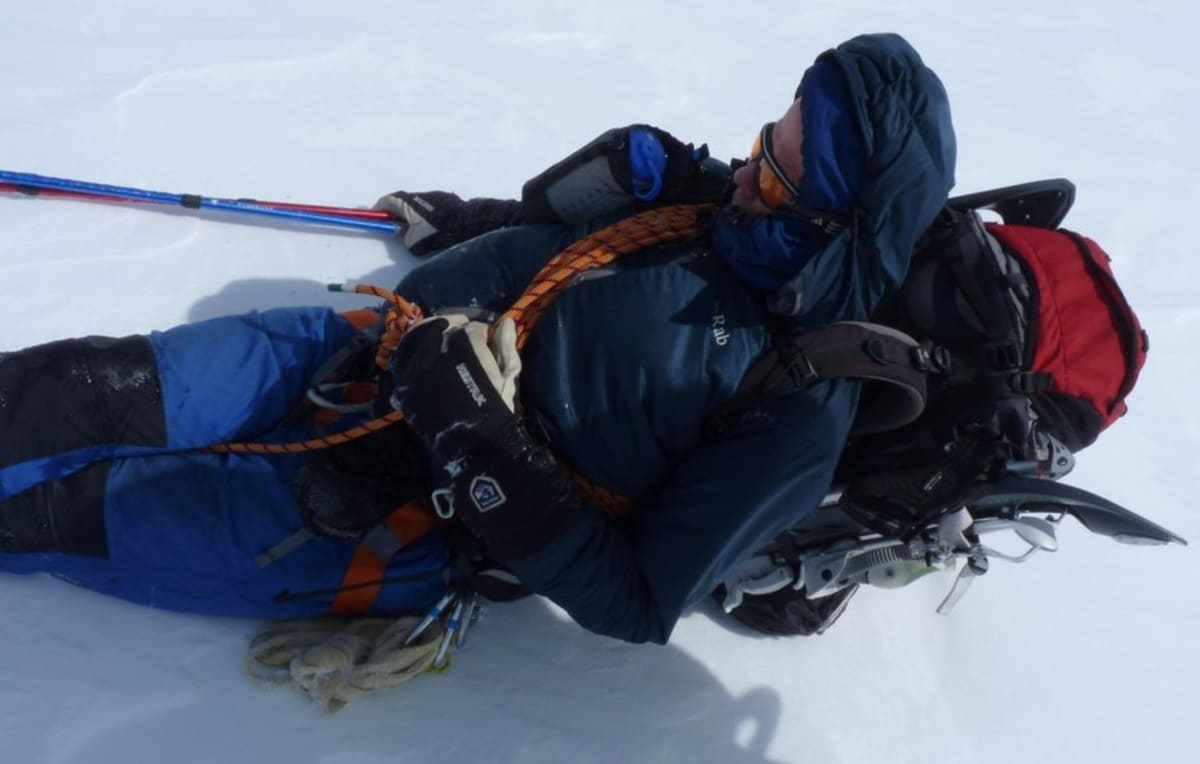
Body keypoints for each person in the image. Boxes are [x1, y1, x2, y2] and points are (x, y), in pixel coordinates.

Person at [0, 33, 956, 645]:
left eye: (785, 171)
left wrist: (474, 442)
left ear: (842, 219)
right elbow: (564, 247)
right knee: (93, 386)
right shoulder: (718, 210)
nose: (748, 173)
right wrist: (471, 223)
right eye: (767, 138)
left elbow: (634, 601)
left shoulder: (795, 407)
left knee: (78, 511)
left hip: (412, 510)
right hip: (370, 342)